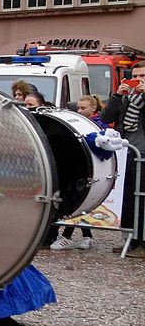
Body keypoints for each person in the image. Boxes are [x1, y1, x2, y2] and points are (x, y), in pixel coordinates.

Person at [50, 95, 106, 250]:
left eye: (83, 108)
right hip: (79, 167)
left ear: (93, 108)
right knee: (78, 202)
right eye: (78, 108)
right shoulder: (79, 123)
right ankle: (85, 236)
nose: (79, 111)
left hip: (92, 169)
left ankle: (70, 236)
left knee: (80, 202)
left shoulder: (97, 124)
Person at [101, 60, 145, 257]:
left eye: (142, 77)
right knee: (127, 198)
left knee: (142, 200)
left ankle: (142, 243)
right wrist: (118, 95)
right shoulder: (126, 98)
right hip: (127, 153)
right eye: (135, 76)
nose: (137, 80)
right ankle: (130, 239)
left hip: (143, 155)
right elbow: (106, 116)